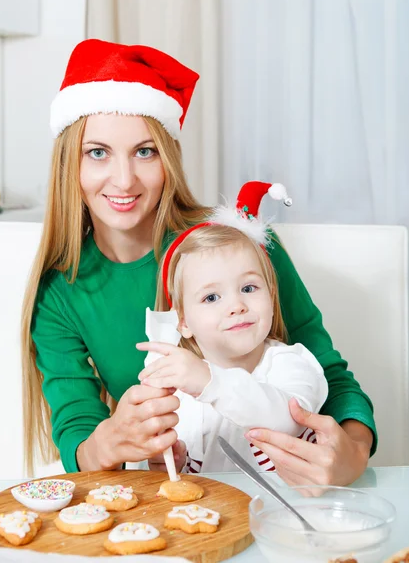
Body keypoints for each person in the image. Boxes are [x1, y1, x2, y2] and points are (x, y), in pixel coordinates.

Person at [21, 38, 376, 486]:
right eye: (98, 152)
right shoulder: (60, 294)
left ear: (168, 160)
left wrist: (353, 452)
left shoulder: (236, 242)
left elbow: (328, 371)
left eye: (145, 151)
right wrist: (111, 441)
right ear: (69, 165)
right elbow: (78, 431)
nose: (124, 179)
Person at [137, 181, 329, 473]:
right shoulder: (182, 394)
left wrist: (209, 381)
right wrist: (168, 464)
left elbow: (288, 420)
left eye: (249, 288)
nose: (236, 305)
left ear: (272, 298)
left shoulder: (292, 365)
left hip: (286, 512)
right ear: (184, 322)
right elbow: (182, 478)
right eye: (211, 297)